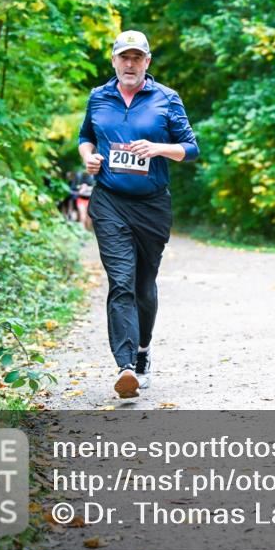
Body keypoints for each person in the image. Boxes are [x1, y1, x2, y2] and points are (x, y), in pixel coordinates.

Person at [78, 30, 199, 399]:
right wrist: (89, 158)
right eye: (123, 57)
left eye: (136, 58)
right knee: (121, 282)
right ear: (114, 61)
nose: (129, 64)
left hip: (151, 205)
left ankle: (143, 352)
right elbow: (85, 137)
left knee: (144, 287)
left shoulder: (166, 98)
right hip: (110, 202)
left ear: (147, 62)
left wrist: (158, 148)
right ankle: (126, 366)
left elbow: (190, 148)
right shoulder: (99, 97)